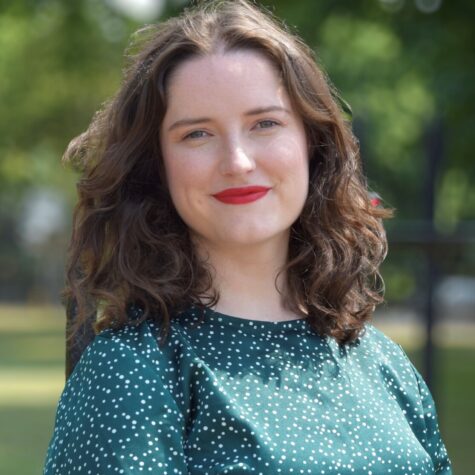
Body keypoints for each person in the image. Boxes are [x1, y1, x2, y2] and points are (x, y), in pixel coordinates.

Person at [43, 0, 453, 473]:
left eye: (265, 124)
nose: (237, 161)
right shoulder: (131, 368)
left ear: (312, 144)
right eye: (197, 134)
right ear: (156, 166)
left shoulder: (382, 363)